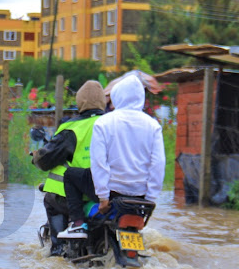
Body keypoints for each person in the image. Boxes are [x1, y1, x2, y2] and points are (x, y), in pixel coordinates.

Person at [59, 74, 165, 239]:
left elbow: (99, 163)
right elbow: (158, 164)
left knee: (70, 174)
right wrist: (150, 199)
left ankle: (77, 224)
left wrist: (103, 198)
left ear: (117, 95)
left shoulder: (104, 122)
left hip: (113, 192)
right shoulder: (153, 125)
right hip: (140, 196)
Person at [32, 80, 106, 254]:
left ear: (80, 102)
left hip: (77, 195)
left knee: (51, 200)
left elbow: (47, 159)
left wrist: (36, 157)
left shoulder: (72, 127)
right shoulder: (113, 123)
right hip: (110, 193)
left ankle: (58, 250)